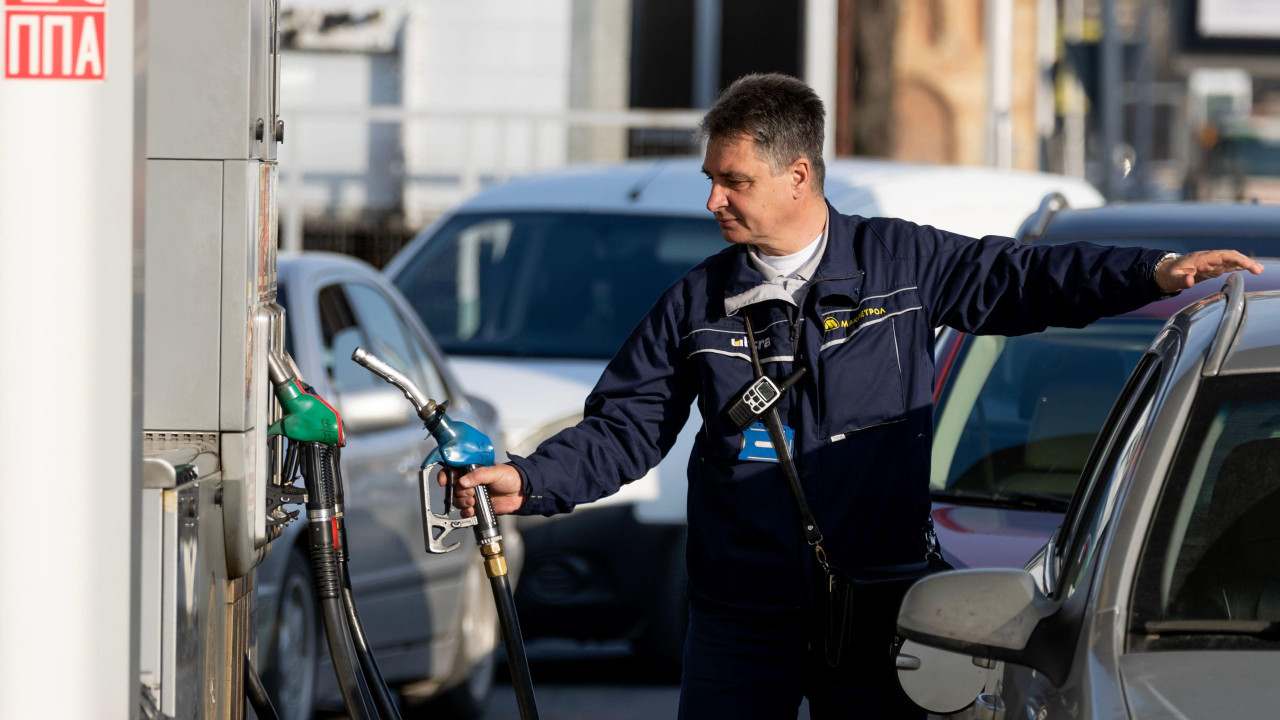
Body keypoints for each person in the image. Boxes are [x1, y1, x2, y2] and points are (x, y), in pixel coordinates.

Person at [446, 73, 1262, 718]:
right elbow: (625, 427)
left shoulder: (899, 265)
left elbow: (1024, 278)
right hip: (740, 621)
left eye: (733, 181)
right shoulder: (695, 305)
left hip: (881, 607)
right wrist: (531, 478)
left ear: (797, 175)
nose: (713, 200)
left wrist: (1152, 272)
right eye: (711, 179)